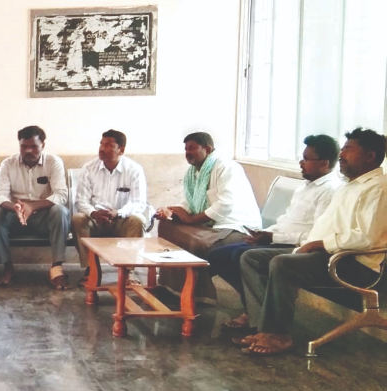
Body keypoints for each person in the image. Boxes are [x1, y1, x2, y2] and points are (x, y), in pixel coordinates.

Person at [237, 128, 387, 356]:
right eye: (342, 149)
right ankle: (263, 328)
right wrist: (305, 246)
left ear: (370, 156)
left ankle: (279, 335)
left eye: (348, 149)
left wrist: (316, 245)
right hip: (328, 254)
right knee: (252, 258)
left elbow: (365, 238)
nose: (342, 155)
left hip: (354, 264)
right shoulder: (351, 185)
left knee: (283, 264)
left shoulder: (379, 188)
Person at [206, 135, 343, 329]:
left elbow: (315, 235)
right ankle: (257, 308)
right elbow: (286, 220)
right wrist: (264, 232)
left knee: (240, 255)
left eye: (306, 159)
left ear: (324, 163)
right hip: (279, 238)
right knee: (217, 256)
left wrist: (273, 237)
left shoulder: (330, 191)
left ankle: (256, 317)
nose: (301, 163)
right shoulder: (305, 187)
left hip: (298, 245)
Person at [155, 132, 261, 298]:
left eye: (192, 148)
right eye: (186, 149)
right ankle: (173, 288)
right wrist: (172, 211)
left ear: (207, 149)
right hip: (212, 225)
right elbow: (189, 202)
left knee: (198, 244)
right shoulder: (194, 173)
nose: (187, 153)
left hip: (235, 227)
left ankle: (196, 294)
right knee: (168, 225)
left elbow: (225, 205)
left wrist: (192, 219)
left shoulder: (226, 167)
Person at [0, 125, 72, 289]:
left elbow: (61, 194)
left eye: (34, 146)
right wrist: (15, 208)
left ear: (43, 145)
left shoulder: (53, 162)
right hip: (16, 217)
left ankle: (56, 269)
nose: (28, 151)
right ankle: (8, 267)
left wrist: (32, 206)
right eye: (24, 146)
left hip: (44, 218)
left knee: (60, 211)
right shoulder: (7, 164)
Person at [71, 129, 149, 284]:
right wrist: (94, 214)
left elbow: (139, 203)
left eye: (108, 145)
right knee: (78, 219)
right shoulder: (89, 168)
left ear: (121, 150)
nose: (102, 148)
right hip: (96, 220)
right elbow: (81, 201)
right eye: (101, 144)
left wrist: (118, 213)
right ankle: (92, 269)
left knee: (138, 220)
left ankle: (128, 272)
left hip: (121, 220)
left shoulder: (134, 169)